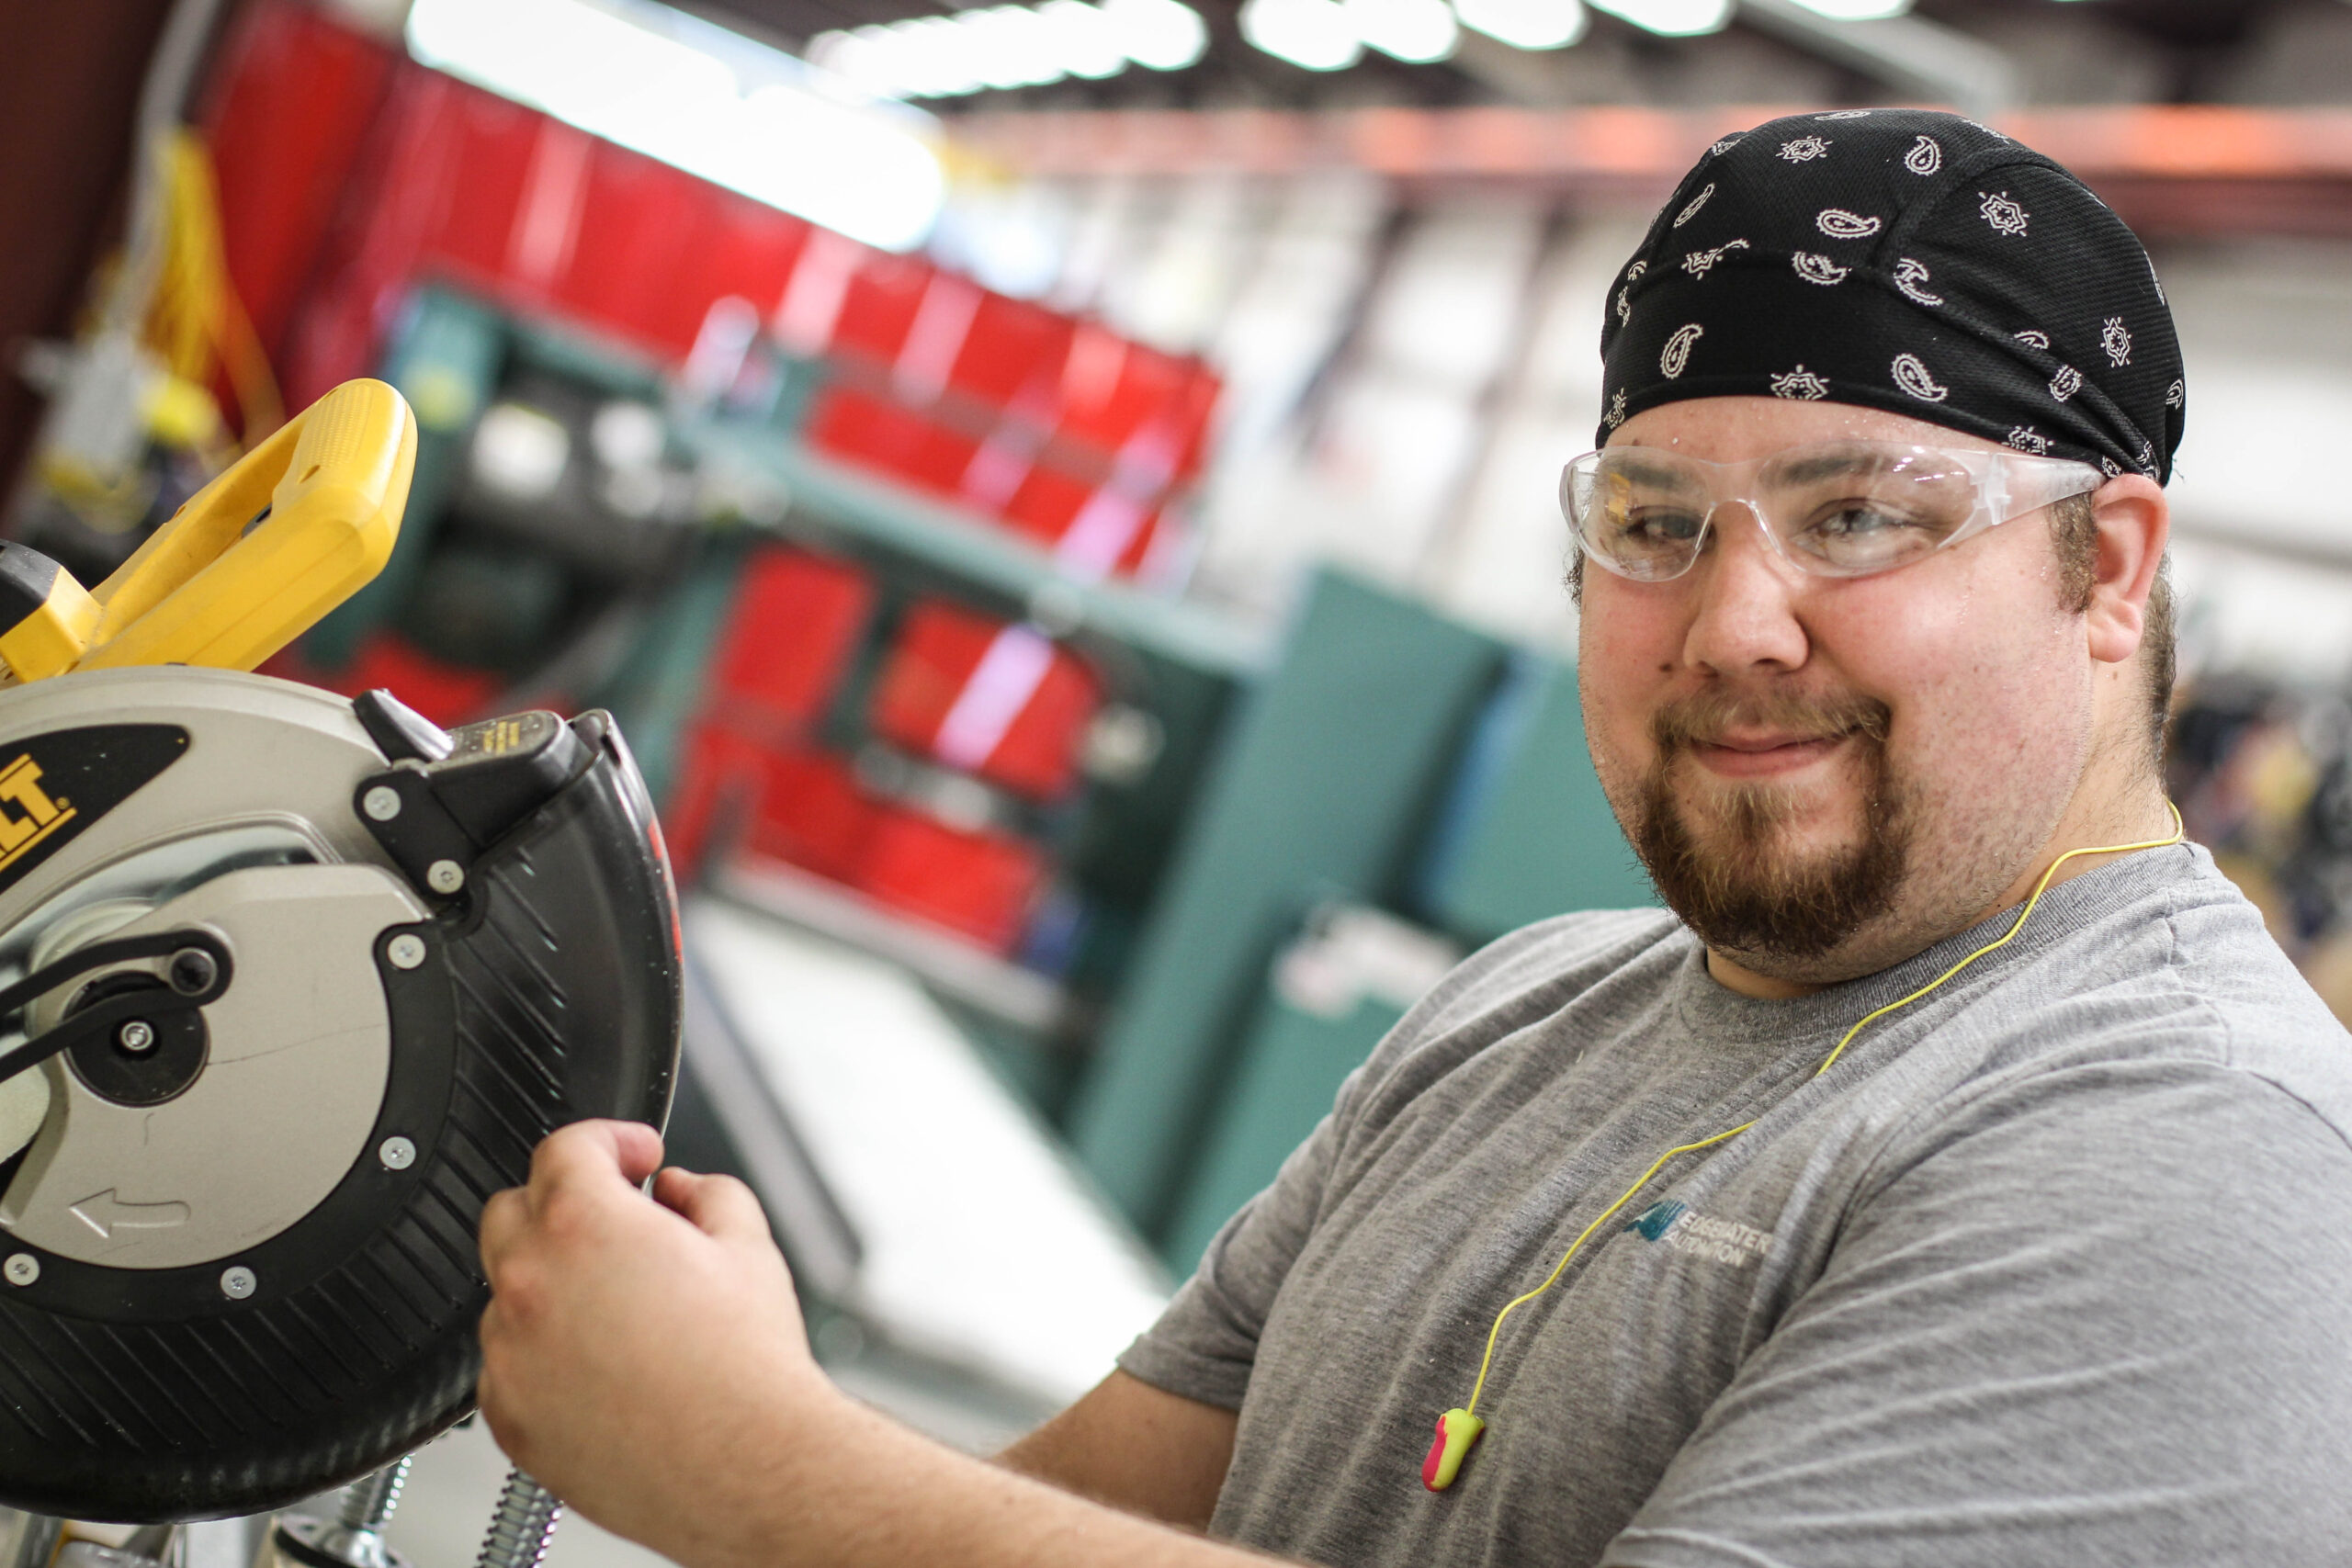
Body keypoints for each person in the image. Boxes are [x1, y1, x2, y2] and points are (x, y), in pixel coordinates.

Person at [471, 110, 2352, 1567]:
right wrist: (736, 1398)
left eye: (1856, 515)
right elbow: (1077, 1506)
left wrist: (749, 1458)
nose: (1729, 621)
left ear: (2098, 568)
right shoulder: (1514, 1012)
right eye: (1650, 518)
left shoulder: (2198, 1151)